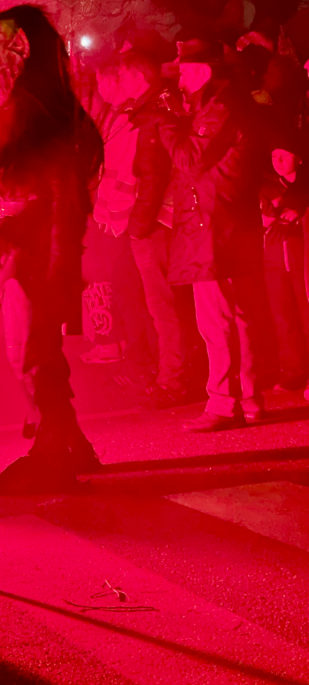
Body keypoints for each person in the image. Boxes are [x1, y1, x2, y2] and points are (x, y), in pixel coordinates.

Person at [0, 3, 104, 494]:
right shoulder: (14, 112)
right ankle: (71, 442)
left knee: (32, 353)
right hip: (19, 254)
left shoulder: (45, 117)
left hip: (39, 256)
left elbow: (67, 197)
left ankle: (53, 454)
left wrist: (53, 263)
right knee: (32, 353)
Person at [159, 38, 267, 431]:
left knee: (218, 320)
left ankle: (224, 402)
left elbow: (189, 158)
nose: (180, 79)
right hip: (225, 225)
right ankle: (250, 399)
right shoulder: (224, 104)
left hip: (213, 227)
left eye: (184, 70)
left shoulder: (219, 108)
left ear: (202, 71)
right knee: (240, 317)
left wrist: (168, 121)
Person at [117, 33, 194, 407]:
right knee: (169, 305)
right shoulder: (155, 110)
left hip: (155, 227)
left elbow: (152, 177)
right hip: (163, 223)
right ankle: (177, 375)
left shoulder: (152, 116)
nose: (120, 84)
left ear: (139, 78)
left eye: (125, 77)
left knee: (163, 307)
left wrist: (138, 226)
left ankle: (173, 381)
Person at [79, 58, 157, 372]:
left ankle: (133, 353)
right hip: (111, 216)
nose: (101, 90)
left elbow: (126, 172)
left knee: (132, 289)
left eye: (108, 81)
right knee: (123, 286)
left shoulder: (129, 117)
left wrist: (112, 215)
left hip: (122, 220)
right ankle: (127, 349)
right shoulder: (116, 115)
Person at [260, 132, 309, 393]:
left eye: (284, 155)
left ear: (299, 159)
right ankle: (293, 373)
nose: (277, 160)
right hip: (275, 263)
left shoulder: (303, 189)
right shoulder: (267, 188)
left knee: (306, 317)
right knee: (283, 319)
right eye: (273, 156)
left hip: (301, 262)